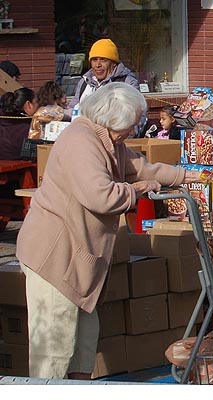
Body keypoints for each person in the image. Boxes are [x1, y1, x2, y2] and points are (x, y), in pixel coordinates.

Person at [15, 82, 202, 379]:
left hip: (78, 259)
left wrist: (190, 175)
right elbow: (100, 196)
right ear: (111, 119)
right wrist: (139, 189)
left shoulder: (108, 140)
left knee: (83, 344)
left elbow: (142, 167)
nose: (131, 132)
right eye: (129, 126)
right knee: (55, 350)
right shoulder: (81, 141)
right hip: (54, 257)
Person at [67, 39, 139, 115]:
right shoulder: (84, 82)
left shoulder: (127, 82)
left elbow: (137, 115)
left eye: (103, 60)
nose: (98, 65)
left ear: (113, 63)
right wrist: (61, 114)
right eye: (94, 60)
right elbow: (73, 110)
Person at [0, 87, 36, 160]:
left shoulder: (3, 123)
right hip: (22, 169)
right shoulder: (31, 130)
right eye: (37, 102)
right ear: (28, 105)